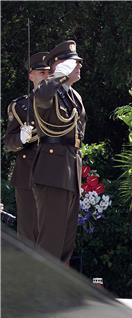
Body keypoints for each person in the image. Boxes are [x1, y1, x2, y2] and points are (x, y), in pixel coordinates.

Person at [32, 40, 86, 264]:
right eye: (75, 63)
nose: (80, 67)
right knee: (50, 242)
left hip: (70, 171)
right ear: (61, 66)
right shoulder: (49, 91)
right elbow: (41, 97)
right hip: (53, 171)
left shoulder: (73, 96)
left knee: (65, 242)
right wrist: (56, 76)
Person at [4, 52, 50, 243]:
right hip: (28, 174)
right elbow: (8, 143)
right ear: (31, 75)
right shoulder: (20, 106)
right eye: (41, 72)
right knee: (28, 233)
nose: (46, 76)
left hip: (54, 171)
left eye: (49, 72)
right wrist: (21, 139)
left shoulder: (64, 103)